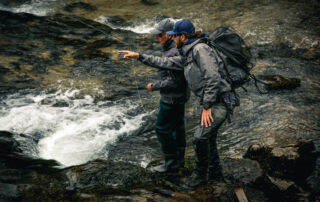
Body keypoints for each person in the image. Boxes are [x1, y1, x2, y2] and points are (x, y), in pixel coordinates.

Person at [119, 19, 233, 189]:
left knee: (200, 138)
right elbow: (164, 63)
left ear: (183, 36)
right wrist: (139, 56)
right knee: (209, 137)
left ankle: (199, 176)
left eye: (174, 36)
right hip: (213, 100)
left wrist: (207, 106)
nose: (172, 38)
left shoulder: (200, 49)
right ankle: (215, 174)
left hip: (220, 101)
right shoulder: (187, 53)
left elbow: (213, 77)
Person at [144, 19, 189, 173]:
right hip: (180, 98)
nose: (156, 38)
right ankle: (179, 160)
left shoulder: (172, 52)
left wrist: (154, 86)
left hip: (171, 100)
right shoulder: (177, 49)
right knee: (178, 128)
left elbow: (174, 81)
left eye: (159, 35)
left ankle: (171, 163)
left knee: (161, 128)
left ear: (169, 35)